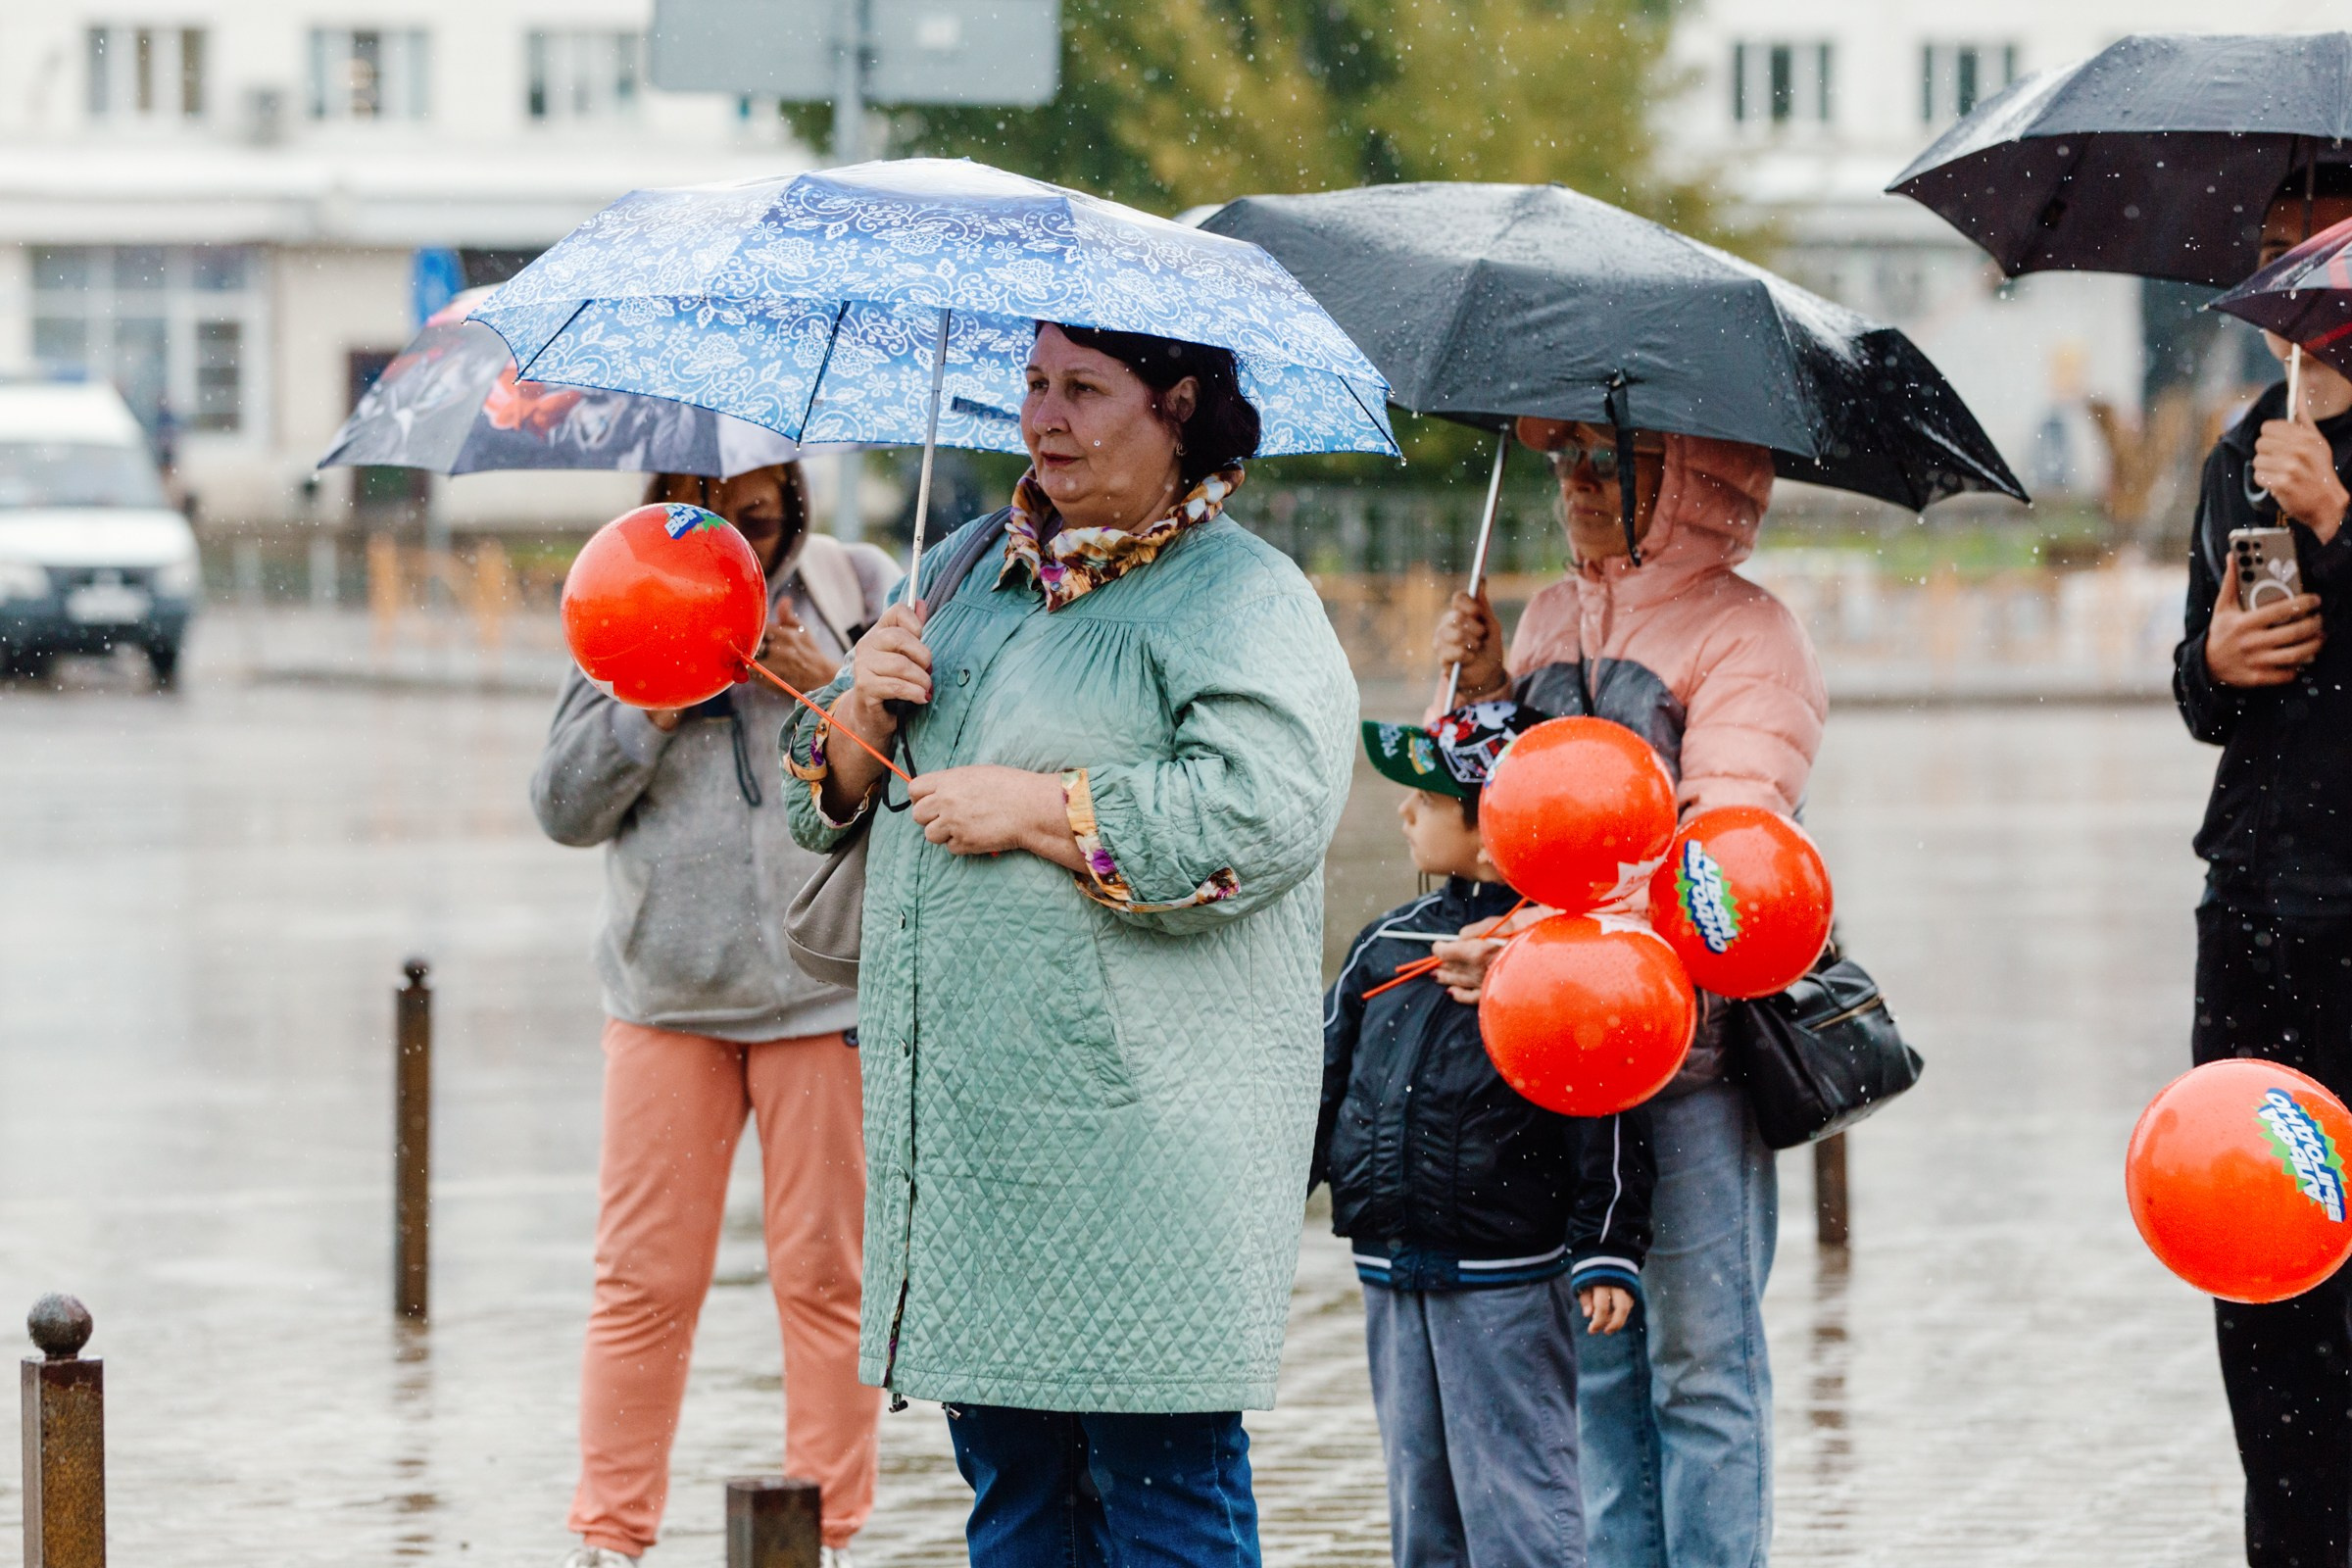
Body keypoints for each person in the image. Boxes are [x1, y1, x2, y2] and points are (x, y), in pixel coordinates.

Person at [781, 322, 1356, 1567]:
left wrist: (1040, 808)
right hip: (973, 1138)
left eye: (1084, 389)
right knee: (1016, 1499)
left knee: (1165, 1495)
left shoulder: (1243, 595)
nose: (1044, 417)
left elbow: (1264, 811)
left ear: (1178, 405)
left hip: (1143, 1135)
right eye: (1034, 384)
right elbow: (813, 796)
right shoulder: (961, 567)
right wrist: (858, 701)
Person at [1429, 422, 1826, 1568]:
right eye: (1566, 462)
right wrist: (1485, 685)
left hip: (1695, 1050)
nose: (1579, 484)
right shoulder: (1553, 615)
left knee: (1701, 1364)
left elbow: (1718, 865)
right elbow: (1515, 825)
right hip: (1565, 1045)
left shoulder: (1751, 634)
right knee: (1598, 1360)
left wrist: (1528, 939)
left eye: (1612, 462)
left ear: (1693, 481)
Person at [531, 464, 900, 1568]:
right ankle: (610, 1537)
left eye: (757, 515)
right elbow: (561, 809)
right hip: (668, 999)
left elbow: (924, 779)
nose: (736, 536)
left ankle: (826, 1536)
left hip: (824, 991)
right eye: (706, 509)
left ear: (792, 502)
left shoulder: (853, 585)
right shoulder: (625, 593)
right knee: (642, 1280)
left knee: (830, 1279)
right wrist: (646, 707)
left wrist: (834, 685)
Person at [1319, 698, 1654, 1568]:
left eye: (1429, 799)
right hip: (1389, 1261)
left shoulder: (1564, 960)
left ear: (1497, 830)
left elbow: (1607, 1108)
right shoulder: (1384, 945)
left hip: (1506, 1275)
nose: (1405, 811)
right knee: (1419, 1504)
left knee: (1520, 1502)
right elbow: (1317, 1086)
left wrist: (1606, 1244)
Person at [2173, 169, 2352, 1568]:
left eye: (2316, 237)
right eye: (2272, 241)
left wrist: (2343, 520)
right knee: (2259, 1253)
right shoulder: (2243, 444)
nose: (2286, 262)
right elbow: (2203, 687)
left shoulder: (2315, 466)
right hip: (2256, 911)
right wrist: (2215, 663)